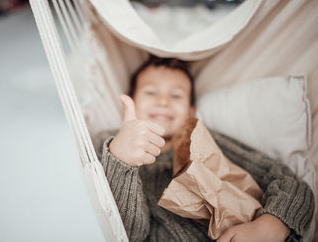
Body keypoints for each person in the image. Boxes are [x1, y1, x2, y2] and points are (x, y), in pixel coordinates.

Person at [94, 55, 314, 242]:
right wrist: (120, 158)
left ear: (191, 111)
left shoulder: (202, 139)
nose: (163, 101)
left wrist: (270, 226)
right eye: (151, 92)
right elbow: (127, 234)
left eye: (176, 96)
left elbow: (291, 185)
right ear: (130, 101)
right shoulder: (109, 144)